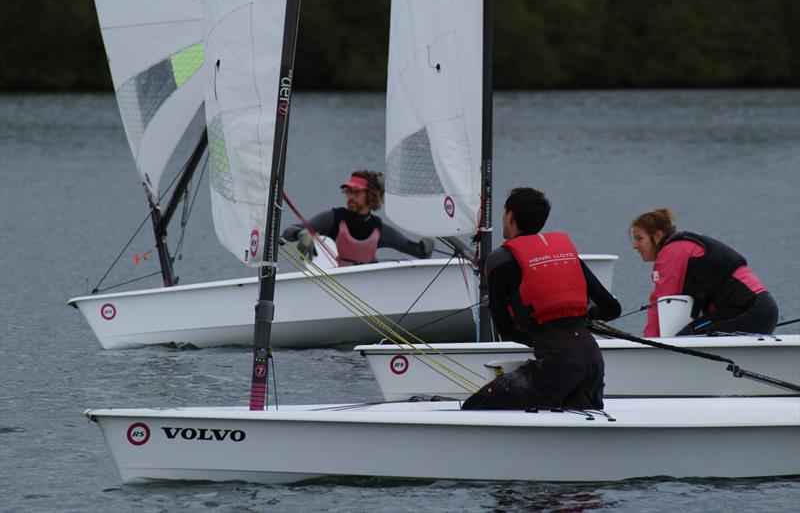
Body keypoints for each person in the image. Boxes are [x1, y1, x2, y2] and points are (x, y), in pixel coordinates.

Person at [462, 188, 621, 411]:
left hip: (557, 364)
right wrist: (579, 319)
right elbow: (612, 308)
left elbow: (505, 330)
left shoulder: (499, 260)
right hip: (593, 362)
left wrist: (543, 334)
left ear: (510, 217)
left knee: (476, 406)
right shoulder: (563, 253)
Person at [630, 208, 778, 338]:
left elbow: (660, 303)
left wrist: (648, 343)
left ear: (657, 236)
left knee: (685, 339)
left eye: (639, 238)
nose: (634, 245)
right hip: (761, 310)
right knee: (687, 335)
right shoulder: (682, 246)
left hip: (750, 311)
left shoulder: (672, 252)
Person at [282, 170, 434, 266]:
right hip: (334, 287)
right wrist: (301, 234)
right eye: (348, 192)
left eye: (356, 192)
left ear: (371, 195)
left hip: (367, 288)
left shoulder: (379, 229)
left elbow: (419, 252)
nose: (350, 197)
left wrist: (428, 243)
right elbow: (288, 232)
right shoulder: (333, 218)